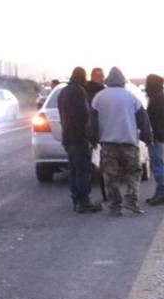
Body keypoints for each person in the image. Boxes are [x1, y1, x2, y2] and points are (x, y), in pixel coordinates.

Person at [91, 67, 152, 215]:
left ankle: (115, 206)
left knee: (110, 176)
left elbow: (92, 122)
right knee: (134, 173)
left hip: (108, 145)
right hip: (129, 143)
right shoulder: (131, 97)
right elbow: (143, 120)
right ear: (122, 81)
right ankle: (131, 201)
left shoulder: (99, 98)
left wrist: (92, 140)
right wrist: (147, 138)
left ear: (108, 82)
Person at [55, 67, 101, 213]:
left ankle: (76, 199)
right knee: (83, 170)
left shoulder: (63, 92)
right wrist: (90, 138)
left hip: (67, 137)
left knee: (74, 170)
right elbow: (84, 117)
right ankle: (84, 202)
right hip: (79, 138)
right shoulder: (79, 91)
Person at [144, 74, 164, 205]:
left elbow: (157, 122)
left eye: (147, 83)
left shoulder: (157, 99)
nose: (146, 86)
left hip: (158, 139)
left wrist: (153, 137)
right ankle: (161, 192)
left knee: (158, 166)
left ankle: (162, 194)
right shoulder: (160, 97)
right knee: (159, 165)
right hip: (162, 137)